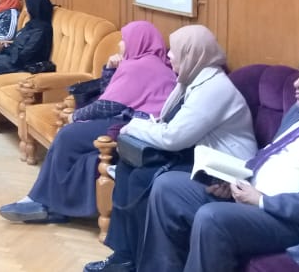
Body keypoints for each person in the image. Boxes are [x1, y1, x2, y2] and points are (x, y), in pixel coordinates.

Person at [137, 48, 299, 272]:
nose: (298, 82)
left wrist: (263, 200)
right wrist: (233, 181)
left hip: (296, 221)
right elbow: (270, 158)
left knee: (212, 218)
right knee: (168, 187)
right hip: (253, 194)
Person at [84, 24, 258, 272]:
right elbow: (169, 124)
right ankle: (124, 255)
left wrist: (134, 126)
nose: (169, 55)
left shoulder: (215, 88)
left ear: (192, 53)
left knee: (143, 178)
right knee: (126, 167)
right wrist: (144, 126)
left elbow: (173, 137)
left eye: (175, 50)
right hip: (196, 156)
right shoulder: (190, 78)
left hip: (222, 171)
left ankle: (141, 260)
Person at [0, 21, 177, 223]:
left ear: (138, 42)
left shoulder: (139, 66)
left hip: (131, 127)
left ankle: (43, 202)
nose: (120, 45)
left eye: (124, 40)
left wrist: (76, 116)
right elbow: (110, 94)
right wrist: (110, 68)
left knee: (67, 135)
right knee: (76, 145)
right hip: (133, 123)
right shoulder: (153, 63)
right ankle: (48, 202)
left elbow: (107, 105)